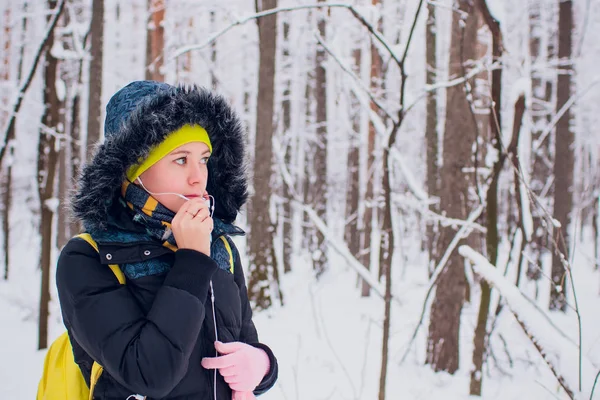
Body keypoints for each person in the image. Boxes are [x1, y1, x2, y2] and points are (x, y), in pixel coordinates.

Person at [56, 80, 278, 400]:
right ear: (134, 169)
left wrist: (263, 365)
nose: (198, 176)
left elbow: (243, 343)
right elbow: (149, 375)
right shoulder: (88, 258)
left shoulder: (221, 248)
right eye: (180, 159)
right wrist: (191, 261)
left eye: (203, 158)